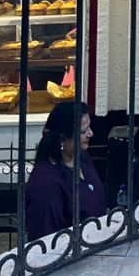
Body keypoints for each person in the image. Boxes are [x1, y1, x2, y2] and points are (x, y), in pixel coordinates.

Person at [25, 101, 105, 241]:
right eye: (83, 131)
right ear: (62, 139)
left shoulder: (82, 157)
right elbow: (44, 241)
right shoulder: (46, 184)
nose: (90, 134)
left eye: (89, 128)